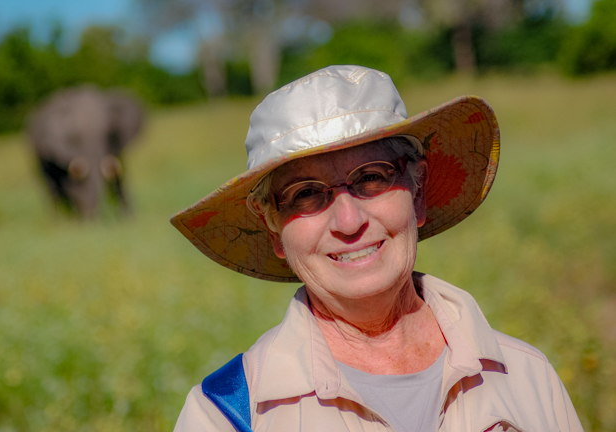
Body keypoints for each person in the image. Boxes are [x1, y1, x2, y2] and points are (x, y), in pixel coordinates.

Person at [170, 65, 583, 432]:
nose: (349, 222)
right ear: (274, 230)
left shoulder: (527, 376)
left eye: (371, 177)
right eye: (306, 193)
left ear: (417, 194)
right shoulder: (227, 415)